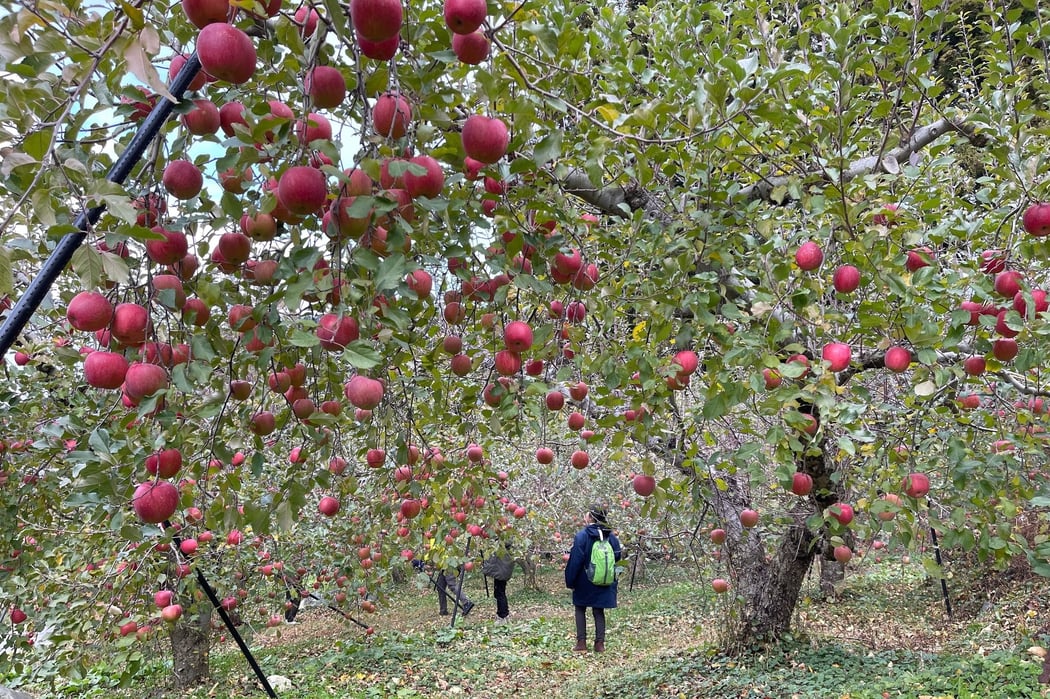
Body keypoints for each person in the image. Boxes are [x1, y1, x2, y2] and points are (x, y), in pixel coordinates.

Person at [564, 504, 622, 652]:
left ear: (590, 517)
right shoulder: (612, 537)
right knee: (598, 611)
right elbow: (617, 558)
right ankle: (599, 644)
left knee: (580, 608)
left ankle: (581, 643)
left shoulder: (582, 536)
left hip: (585, 580)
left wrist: (570, 580)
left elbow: (576, 560)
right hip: (604, 581)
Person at [482, 542, 515, 624]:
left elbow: (493, 560)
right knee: (500, 592)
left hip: (501, 573)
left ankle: (502, 615)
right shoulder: (507, 548)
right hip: (502, 572)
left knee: (499, 593)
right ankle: (504, 614)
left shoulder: (501, 547)